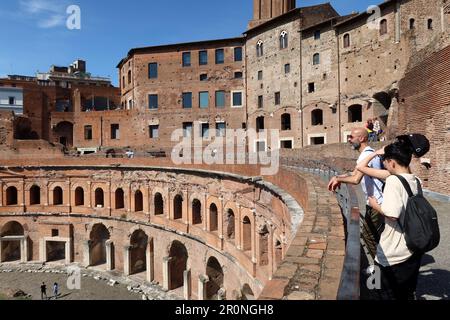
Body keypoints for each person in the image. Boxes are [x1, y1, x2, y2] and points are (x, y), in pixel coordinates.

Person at [366, 140, 424, 300]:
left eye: (385, 163)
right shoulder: (416, 180)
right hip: (412, 250)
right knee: (406, 294)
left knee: (376, 288)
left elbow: (392, 213)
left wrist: (375, 205)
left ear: (391, 162)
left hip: (391, 253)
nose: (385, 167)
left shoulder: (393, 181)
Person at [328, 127, 385, 258]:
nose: (349, 140)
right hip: (375, 200)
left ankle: (382, 267)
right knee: (375, 234)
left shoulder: (365, 155)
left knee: (368, 235)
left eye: (351, 137)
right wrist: (339, 177)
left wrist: (338, 179)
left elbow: (355, 179)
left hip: (377, 201)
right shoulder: (367, 153)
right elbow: (354, 173)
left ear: (362, 138)